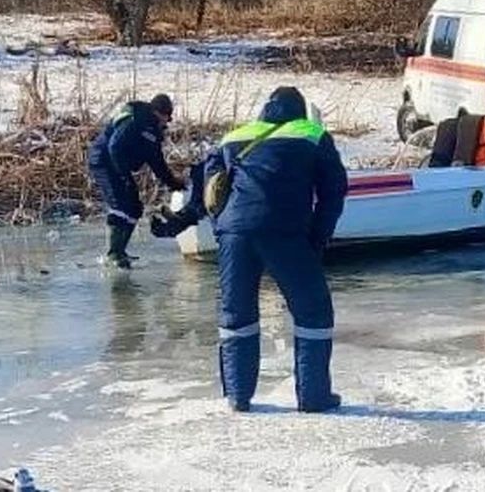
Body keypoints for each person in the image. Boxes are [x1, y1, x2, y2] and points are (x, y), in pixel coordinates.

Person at [204, 86, 348, 413]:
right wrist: (317, 240)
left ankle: (238, 396)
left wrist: (222, 227)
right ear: (300, 112)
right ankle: (313, 396)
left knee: (236, 313)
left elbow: (208, 186)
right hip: (285, 232)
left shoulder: (234, 137)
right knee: (313, 311)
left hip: (234, 234)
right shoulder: (312, 134)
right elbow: (334, 191)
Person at [87, 93, 185, 269]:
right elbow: (114, 147)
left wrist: (174, 184)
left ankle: (120, 251)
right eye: (167, 117)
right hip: (103, 161)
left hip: (116, 164)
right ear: (159, 113)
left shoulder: (152, 131)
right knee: (120, 204)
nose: (167, 122)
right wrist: (125, 177)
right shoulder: (135, 120)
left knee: (134, 207)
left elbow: (157, 162)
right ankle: (113, 255)